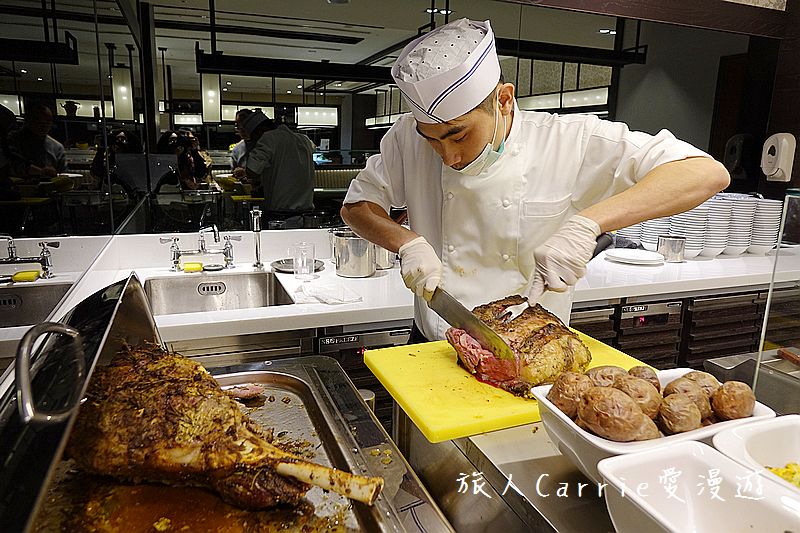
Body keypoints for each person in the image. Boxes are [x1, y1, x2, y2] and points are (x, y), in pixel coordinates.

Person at [340, 18, 730, 342]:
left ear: (503, 100)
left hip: (531, 348)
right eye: (432, 140)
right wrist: (406, 242)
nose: (449, 157)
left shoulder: (571, 140)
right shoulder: (406, 138)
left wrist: (586, 225)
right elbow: (356, 206)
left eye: (458, 135)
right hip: (431, 342)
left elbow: (704, 173)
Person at [242, 110, 315, 225]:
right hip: (307, 216)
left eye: (253, 138)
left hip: (282, 218)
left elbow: (252, 171)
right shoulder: (304, 139)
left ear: (259, 131)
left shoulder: (269, 138)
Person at [5, 103, 68, 180]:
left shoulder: (57, 147)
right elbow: (11, 165)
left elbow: (63, 175)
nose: (44, 126)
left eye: (48, 122)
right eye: (38, 122)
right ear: (28, 121)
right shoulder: (13, 139)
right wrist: (41, 171)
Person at [231, 108, 252, 180]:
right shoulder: (237, 149)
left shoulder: (265, 144)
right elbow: (233, 173)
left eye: (244, 125)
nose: (241, 130)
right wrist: (236, 172)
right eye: (238, 126)